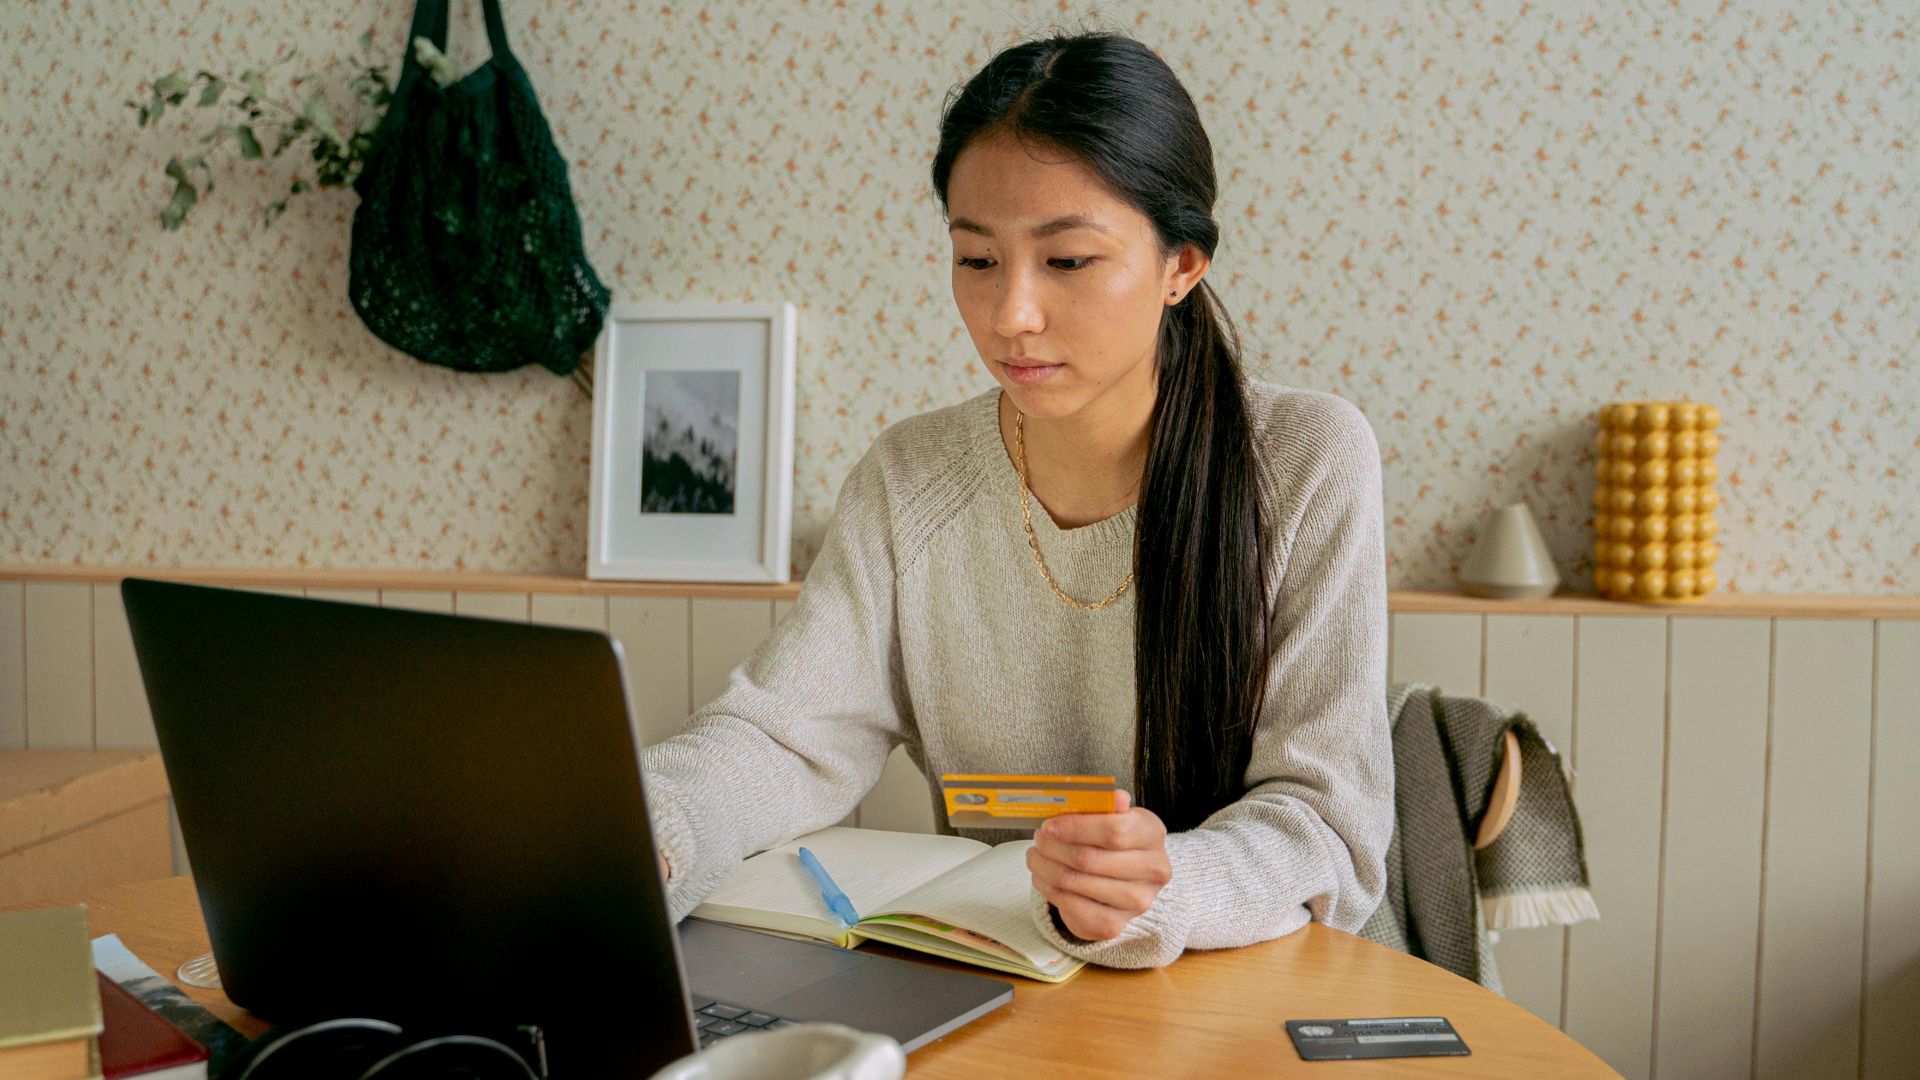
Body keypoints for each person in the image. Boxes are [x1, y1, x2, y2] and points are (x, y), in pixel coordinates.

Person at [641, 31, 1392, 970]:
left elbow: (1325, 821)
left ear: (1182, 265)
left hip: (1254, 989)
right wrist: (645, 830)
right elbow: (786, 739)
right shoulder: (910, 477)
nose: (1011, 316)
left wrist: (1163, 888)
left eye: (1068, 261)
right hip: (1011, 988)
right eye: (978, 260)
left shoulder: (1305, 460)